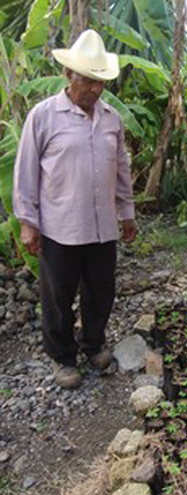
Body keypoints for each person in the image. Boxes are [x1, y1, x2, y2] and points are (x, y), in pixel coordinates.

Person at [13, 29, 137, 389]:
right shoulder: (44, 116)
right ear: (69, 75)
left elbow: (121, 168)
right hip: (60, 227)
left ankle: (93, 344)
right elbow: (26, 171)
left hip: (102, 228)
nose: (96, 90)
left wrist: (127, 213)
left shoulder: (112, 118)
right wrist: (27, 222)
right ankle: (62, 358)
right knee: (57, 297)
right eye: (89, 81)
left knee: (101, 291)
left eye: (101, 82)